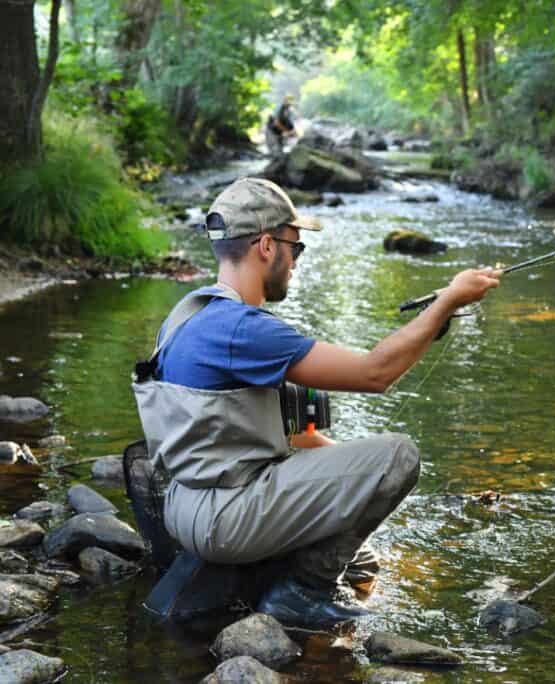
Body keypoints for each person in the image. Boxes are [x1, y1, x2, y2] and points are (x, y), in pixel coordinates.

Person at [132, 177, 501, 626]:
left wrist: (354, 490)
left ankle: (297, 579)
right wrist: (446, 303)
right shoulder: (243, 330)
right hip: (224, 519)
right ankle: (304, 593)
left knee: (362, 555)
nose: (296, 263)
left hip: (183, 505)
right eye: (296, 247)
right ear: (266, 245)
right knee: (398, 456)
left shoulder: (188, 314)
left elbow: (290, 437)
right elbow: (375, 373)